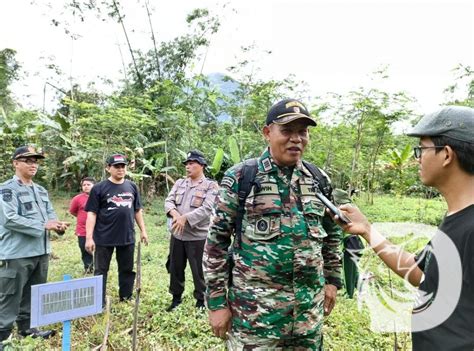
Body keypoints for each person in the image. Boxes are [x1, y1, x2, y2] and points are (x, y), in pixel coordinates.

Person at [204, 99, 343, 350]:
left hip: (307, 318)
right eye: (287, 131)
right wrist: (216, 303)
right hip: (255, 320)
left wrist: (333, 281)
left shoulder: (319, 180)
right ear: (267, 133)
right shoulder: (242, 177)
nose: (296, 139)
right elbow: (216, 243)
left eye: (302, 132)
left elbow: (332, 234)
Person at [336, 106, 474, 350]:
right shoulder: (456, 218)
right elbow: (419, 272)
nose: (417, 158)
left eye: (422, 149)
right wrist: (368, 230)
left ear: (447, 155)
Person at [0, 146, 70, 348]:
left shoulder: (40, 190)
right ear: (15, 163)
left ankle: (27, 329)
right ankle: (3, 336)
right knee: (10, 295)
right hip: (17, 253)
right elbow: (9, 219)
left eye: (36, 161)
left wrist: (57, 225)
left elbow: (49, 215)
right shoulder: (6, 189)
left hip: (41, 252)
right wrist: (43, 225)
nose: (33, 165)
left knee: (33, 293)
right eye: (28, 160)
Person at [85, 154, 148, 305]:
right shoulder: (98, 188)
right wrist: (89, 237)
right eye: (116, 166)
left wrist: (143, 231)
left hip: (127, 236)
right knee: (101, 271)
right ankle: (98, 302)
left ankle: (126, 298)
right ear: (108, 168)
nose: (120, 169)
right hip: (103, 237)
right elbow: (92, 213)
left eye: (123, 166)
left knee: (127, 269)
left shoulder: (132, 186)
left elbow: (137, 210)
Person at [164, 150, 218, 311]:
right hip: (177, 235)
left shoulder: (211, 185)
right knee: (175, 268)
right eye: (187, 164)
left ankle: (201, 301)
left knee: (199, 271)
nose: (188, 167)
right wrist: (174, 214)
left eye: (192, 163)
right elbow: (169, 200)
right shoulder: (180, 183)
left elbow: (207, 208)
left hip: (198, 237)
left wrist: (185, 218)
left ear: (201, 165)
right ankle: (176, 299)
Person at [69, 177, 96, 273]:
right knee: (85, 249)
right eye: (84, 185)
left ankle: (99, 268)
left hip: (97, 229)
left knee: (99, 249)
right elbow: (72, 211)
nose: (86, 186)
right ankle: (88, 268)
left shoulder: (99, 196)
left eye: (88, 184)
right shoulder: (77, 198)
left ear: (94, 186)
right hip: (82, 230)